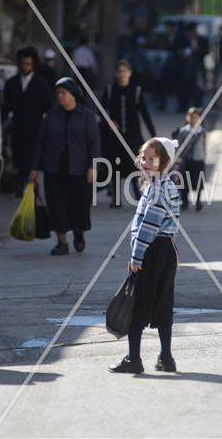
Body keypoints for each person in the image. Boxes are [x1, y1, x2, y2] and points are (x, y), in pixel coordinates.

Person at [109, 137, 180, 374]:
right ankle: (166, 357)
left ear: (165, 162)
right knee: (163, 303)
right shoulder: (163, 184)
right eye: (144, 157)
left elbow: (149, 227)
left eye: (152, 159)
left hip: (153, 251)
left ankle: (134, 358)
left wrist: (137, 257)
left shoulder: (158, 188)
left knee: (138, 303)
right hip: (167, 250)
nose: (146, 162)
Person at [29, 77, 101, 255]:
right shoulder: (51, 115)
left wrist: (93, 166)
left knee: (79, 205)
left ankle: (78, 233)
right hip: (54, 168)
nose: (60, 96)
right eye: (58, 93)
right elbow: (41, 143)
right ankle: (62, 242)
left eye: (63, 93)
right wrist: (34, 168)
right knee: (56, 205)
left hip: (79, 169)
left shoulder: (87, 116)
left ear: (73, 95)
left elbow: (94, 143)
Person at [100, 59, 156, 207]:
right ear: (116, 73)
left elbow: (145, 114)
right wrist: (108, 121)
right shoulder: (110, 90)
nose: (122, 74)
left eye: (124, 71)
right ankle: (116, 199)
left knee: (134, 164)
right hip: (114, 137)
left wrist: (153, 134)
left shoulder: (136, 91)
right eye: (119, 71)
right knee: (115, 165)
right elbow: (100, 111)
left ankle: (138, 195)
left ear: (130, 73)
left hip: (133, 136)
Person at [3, 46, 53, 195]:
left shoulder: (40, 84)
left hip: (35, 129)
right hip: (17, 129)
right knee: (18, 157)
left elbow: (48, 107)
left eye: (27, 64)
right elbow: (5, 106)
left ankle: (29, 185)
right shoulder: (11, 83)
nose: (24, 67)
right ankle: (22, 184)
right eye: (22, 64)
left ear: (33, 65)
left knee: (31, 158)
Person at [176, 107, 206, 211]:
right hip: (186, 159)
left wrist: (204, 156)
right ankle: (185, 201)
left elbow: (204, 145)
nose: (194, 119)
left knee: (198, 181)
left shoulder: (202, 131)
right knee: (184, 181)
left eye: (196, 117)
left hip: (199, 159)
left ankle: (198, 201)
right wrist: (178, 158)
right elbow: (179, 145)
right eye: (191, 117)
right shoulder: (183, 131)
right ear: (187, 118)